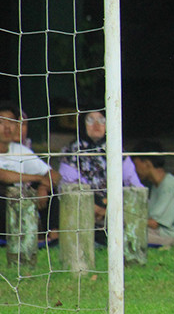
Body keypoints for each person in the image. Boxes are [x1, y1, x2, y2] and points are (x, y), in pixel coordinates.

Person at [58, 110, 143, 235]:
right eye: (90, 120)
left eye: (102, 120)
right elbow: (68, 188)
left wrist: (112, 208)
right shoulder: (71, 152)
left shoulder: (117, 150)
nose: (96, 125)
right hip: (83, 212)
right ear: (82, 124)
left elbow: (134, 185)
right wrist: (94, 207)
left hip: (115, 210)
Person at [0, 102, 60, 241]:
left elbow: (54, 175)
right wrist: (38, 178)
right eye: (1, 122)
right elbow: (3, 175)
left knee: (52, 190)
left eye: (12, 122)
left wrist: (43, 187)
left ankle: (52, 237)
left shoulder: (19, 150)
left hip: (18, 201)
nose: (7, 127)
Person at [130, 140, 174, 247]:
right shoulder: (157, 185)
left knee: (129, 234)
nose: (134, 170)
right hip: (158, 232)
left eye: (136, 165)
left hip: (170, 235)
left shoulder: (170, 186)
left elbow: (154, 223)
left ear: (147, 164)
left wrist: (125, 219)